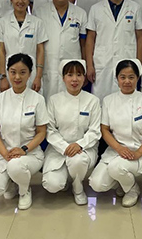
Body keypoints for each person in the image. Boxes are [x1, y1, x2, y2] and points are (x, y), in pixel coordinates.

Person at [89, 59, 142, 207]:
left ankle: (132, 190)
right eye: (123, 77)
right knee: (97, 184)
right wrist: (119, 148)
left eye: (131, 77)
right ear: (117, 79)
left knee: (116, 168)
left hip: (139, 150)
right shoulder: (108, 101)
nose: (127, 81)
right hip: (115, 150)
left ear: (137, 78)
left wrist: (139, 152)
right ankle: (124, 181)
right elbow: (104, 129)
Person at [0, 54, 48, 210]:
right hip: (4, 151)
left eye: (22, 72)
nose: (17, 77)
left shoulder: (37, 99)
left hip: (30, 152)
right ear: (7, 72)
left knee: (16, 166)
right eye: (13, 72)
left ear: (30, 74)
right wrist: (5, 153)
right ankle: (11, 182)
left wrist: (24, 149)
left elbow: (41, 132)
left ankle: (24, 190)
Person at [42, 59, 102, 205]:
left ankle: (78, 186)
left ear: (84, 78)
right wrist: (65, 147)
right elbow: (50, 130)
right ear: (63, 78)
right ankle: (64, 180)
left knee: (78, 161)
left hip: (84, 148)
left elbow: (95, 130)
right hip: (58, 148)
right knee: (52, 185)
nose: (75, 79)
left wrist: (79, 145)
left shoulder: (93, 101)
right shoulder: (54, 100)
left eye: (79, 75)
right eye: (70, 75)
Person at [85, 0, 142, 101]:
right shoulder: (96, 9)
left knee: (127, 102)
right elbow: (90, 38)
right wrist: (89, 65)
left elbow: (140, 37)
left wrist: (138, 64)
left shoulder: (135, 8)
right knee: (101, 101)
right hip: (102, 64)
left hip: (127, 62)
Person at [33, 0, 87, 101]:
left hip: (72, 68)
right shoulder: (39, 12)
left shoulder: (80, 13)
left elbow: (83, 44)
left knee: (71, 103)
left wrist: (84, 68)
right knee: (48, 102)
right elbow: (37, 45)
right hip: (48, 67)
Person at [0, 0, 47, 93]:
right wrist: (2, 76)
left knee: (31, 101)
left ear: (29, 1)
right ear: (11, 0)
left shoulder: (37, 23)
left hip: (31, 73)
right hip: (9, 72)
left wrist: (38, 76)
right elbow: (1, 51)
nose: (20, 1)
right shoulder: (2, 22)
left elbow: (40, 51)